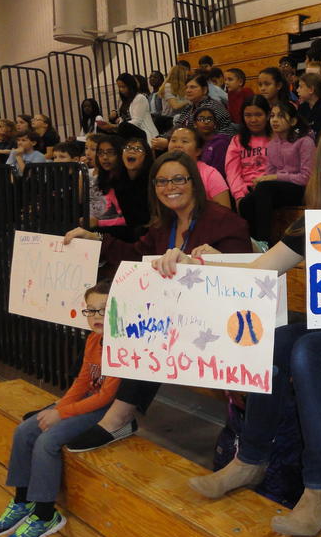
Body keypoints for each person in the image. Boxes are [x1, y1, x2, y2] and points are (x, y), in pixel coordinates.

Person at [164, 123, 321, 537]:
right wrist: (199, 264)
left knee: (307, 350)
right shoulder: (314, 224)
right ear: (320, 165)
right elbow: (258, 273)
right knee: (278, 339)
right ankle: (250, 459)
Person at [62, 150, 252, 451]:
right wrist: (94, 238)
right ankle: (80, 401)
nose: (169, 187)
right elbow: (134, 256)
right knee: (115, 320)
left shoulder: (225, 222)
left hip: (216, 323)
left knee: (150, 330)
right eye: (162, 181)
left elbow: (245, 279)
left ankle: (117, 417)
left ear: (194, 183)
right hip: (177, 318)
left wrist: (209, 262)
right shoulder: (164, 226)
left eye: (178, 179)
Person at [0, 280, 119, 537]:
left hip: (103, 410)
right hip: (84, 402)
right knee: (25, 430)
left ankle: (46, 515)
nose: (96, 316)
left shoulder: (122, 345)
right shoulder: (93, 339)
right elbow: (82, 382)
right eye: (91, 310)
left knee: (47, 441)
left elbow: (105, 397)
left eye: (104, 310)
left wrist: (62, 414)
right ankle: (23, 500)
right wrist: (58, 409)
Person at [240, 102, 313, 243]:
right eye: (272, 116)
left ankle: (265, 242)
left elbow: (306, 178)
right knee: (246, 202)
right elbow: (270, 173)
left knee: (264, 188)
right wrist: (262, 180)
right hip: (279, 189)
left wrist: (274, 177)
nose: (274, 120)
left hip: (301, 189)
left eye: (280, 116)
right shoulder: (272, 144)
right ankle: (253, 243)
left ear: (293, 121)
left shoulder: (305, 141)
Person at [166, 125, 231, 208]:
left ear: (198, 151)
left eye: (184, 141)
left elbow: (225, 212)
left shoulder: (210, 174)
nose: (177, 145)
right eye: (173, 140)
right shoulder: (163, 171)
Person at [225, 95, 272, 206]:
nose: (253, 120)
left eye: (258, 115)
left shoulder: (276, 139)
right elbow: (232, 172)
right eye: (248, 115)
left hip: (270, 189)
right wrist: (239, 196)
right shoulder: (237, 140)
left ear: (268, 115)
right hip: (245, 193)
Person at [114, 73, 158, 143]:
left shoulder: (140, 98)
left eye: (123, 86)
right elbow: (125, 118)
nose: (121, 89)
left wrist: (115, 127)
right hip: (130, 132)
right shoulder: (125, 100)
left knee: (123, 127)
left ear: (130, 86)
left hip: (144, 132)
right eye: (119, 87)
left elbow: (137, 122)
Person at [295, 71, 321, 138]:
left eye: (300, 87)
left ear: (311, 90)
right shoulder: (302, 107)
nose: (297, 90)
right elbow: (298, 128)